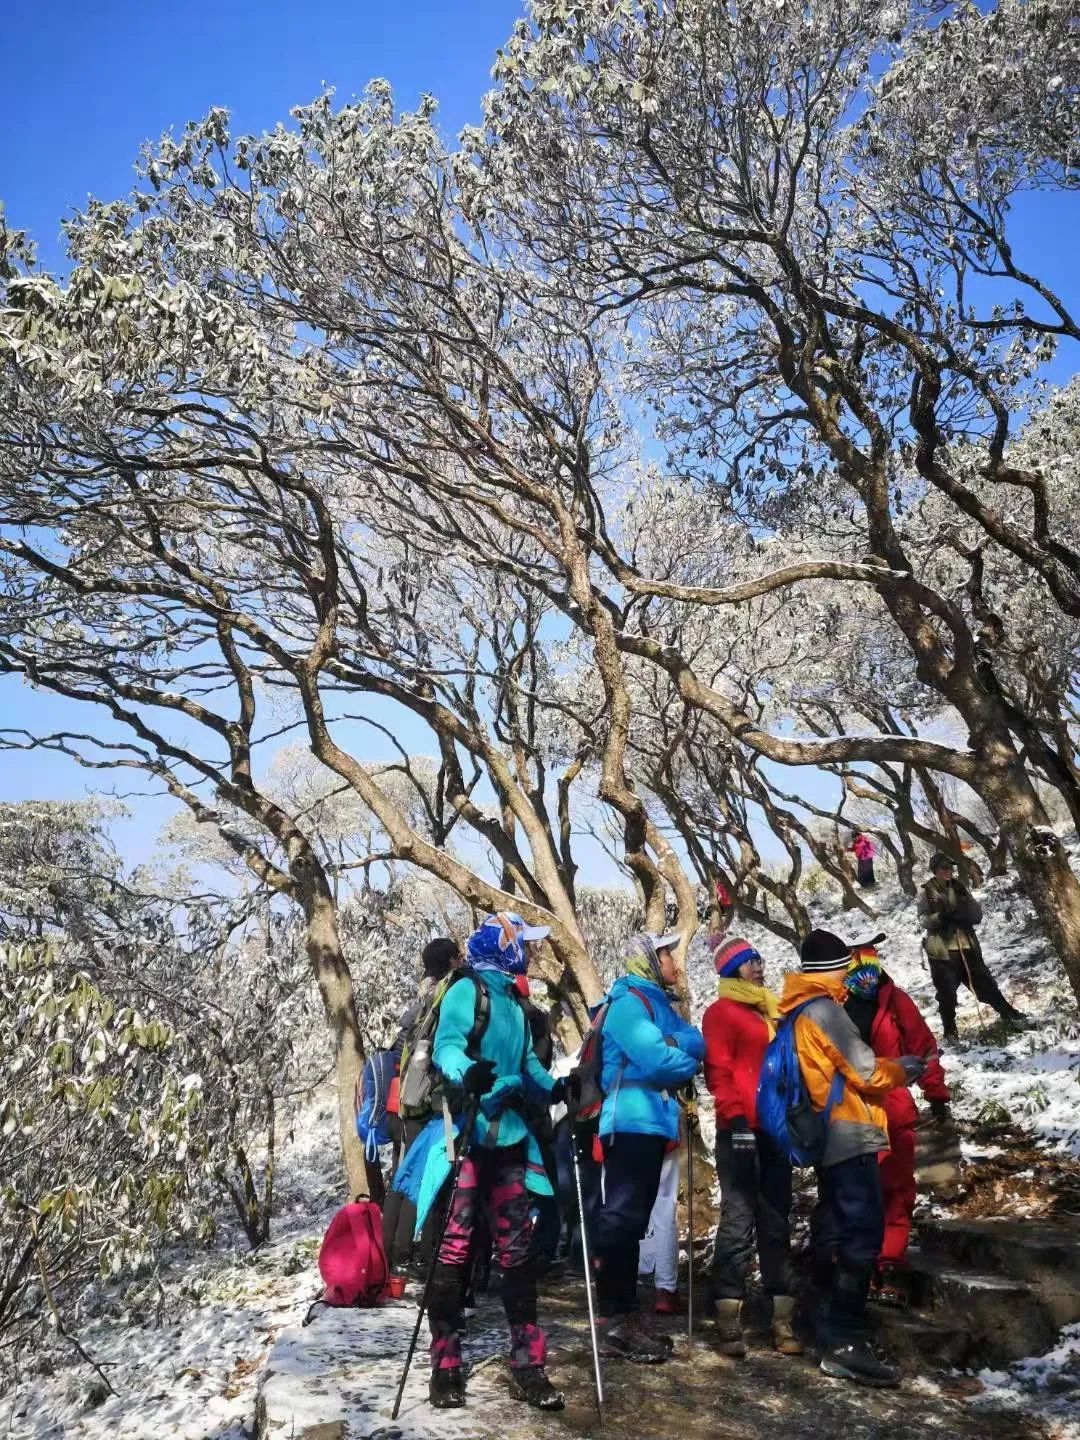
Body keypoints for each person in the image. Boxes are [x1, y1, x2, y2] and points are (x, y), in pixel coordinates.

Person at [393, 912, 566, 1412]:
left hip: (509, 1140)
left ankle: (528, 1363)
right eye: (525, 945)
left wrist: (555, 1085)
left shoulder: (512, 999)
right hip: (466, 1139)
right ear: (504, 946)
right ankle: (445, 1364)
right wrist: (468, 1073)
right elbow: (447, 1047)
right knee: (454, 1251)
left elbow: (527, 1064)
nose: (530, 952)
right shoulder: (468, 992)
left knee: (517, 1251)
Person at [780, 928, 927, 1387]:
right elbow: (864, 1069)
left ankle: (823, 1325)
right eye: (846, 963)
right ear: (833, 969)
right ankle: (845, 1340)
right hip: (850, 1131)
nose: (852, 970)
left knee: (836, 1227)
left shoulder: (799, 1009)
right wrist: (904, 1069)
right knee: (862, 1234)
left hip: (829, 1132)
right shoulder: (825, 1009)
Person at [591, 931, 704, 1363]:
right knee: (622, 1220)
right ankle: (614, 1319)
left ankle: (626, 1315)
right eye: (667, 954)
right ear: (647, 960)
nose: (674, 963)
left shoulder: (657, 1005)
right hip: (628, 1121)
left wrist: (674, 1047)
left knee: (635, 1221)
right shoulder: (626, 1005)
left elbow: (695, 1039)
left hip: (652, 1122)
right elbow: (661, 1060)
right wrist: (680, 1054)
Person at [702, 937, 801, 1358]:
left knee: (777, 1221)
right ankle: (728, 1319)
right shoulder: (721, 1013)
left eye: (758, 960)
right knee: (739, 1220)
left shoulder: (772, 1010)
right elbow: (718, 1071)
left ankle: (782, 1319)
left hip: (777, 1130)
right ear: (731, 971)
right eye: (748, 963)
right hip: (740, 1129)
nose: (757, 967)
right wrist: (736, 1117)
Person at [842, 944, 951, 1300]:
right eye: (859, 970)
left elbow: (923, 1047)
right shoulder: (834, 1007)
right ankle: (857, 1265)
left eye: (872, 967)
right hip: (851, 1114)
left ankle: (889, 1265)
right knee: (858, 1195)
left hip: (895, 1111)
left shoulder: (895, 1000)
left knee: (898, 1192)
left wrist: (936, 1094)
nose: (867, 977)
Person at [382, 938, 462, 1278]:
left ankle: (393, 1251)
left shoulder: (419, 1000)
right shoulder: (443, 998)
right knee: (429, 1179)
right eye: (458, 956)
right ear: (451, 962)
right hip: (430, 1104)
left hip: (404, 1101)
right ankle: (422, 1254)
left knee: (405, 1177)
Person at [918, 853, 1031, 1042]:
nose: (948, 871)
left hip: (967, 946)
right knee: (946, 994)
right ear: (935, 870)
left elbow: (977, 915)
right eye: (944, 868)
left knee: (985, 984)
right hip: (943, 953)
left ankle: (1010, 1016)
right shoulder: (925, 893)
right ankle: (950, 1032)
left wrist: (965, 912)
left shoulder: (961, 888)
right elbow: (922, 920)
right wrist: (940, 918)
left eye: (950, 868)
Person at [637, 1143, 681, 1314]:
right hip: (659, 1130)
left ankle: (616, 1294)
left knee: (620, 1207)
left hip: (618, 1130)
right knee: (664, 1209)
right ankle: (665, 1290)